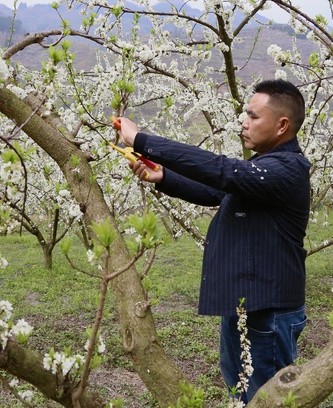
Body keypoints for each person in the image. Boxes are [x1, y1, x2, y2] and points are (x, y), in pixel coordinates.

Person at [116, 79, 310, 403]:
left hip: (269, 311)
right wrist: (162, 176)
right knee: (240, 390)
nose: (244, 122)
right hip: (247, 302)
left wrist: (141, 140)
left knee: (267, 397)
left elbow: (221, 172)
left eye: (253, 116)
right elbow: (217, 191)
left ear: (282, 125)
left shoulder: (287, 169)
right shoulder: (263, 167)